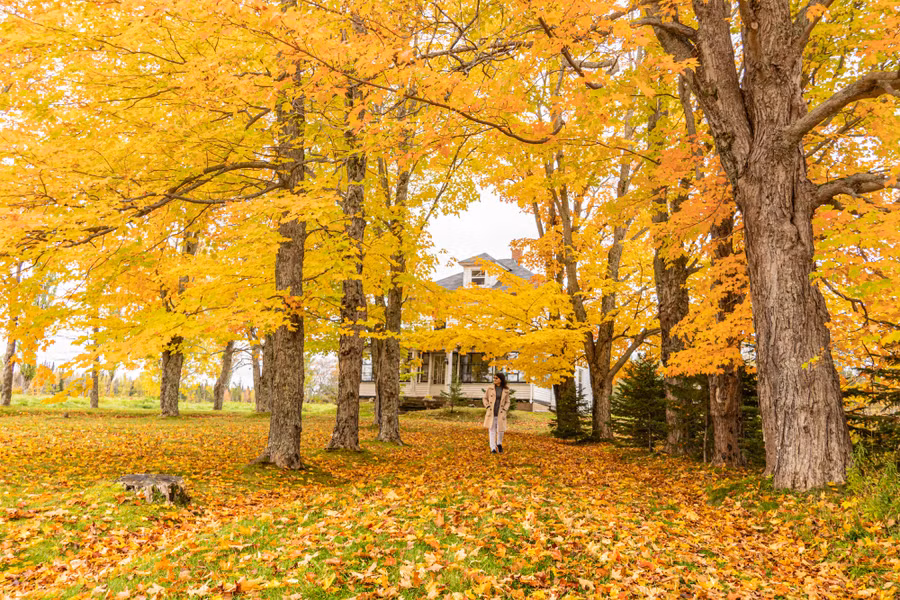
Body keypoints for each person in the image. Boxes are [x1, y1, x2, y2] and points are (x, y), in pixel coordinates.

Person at [483, 373, 510, 453]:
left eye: (496, 378)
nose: (494, 379)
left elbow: (508, 402)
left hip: (500, 413)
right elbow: (484, 398)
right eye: (494, 378)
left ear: (501, 379)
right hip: (491, 413)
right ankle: (493, 448)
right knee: (492, 430)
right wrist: (487, 406)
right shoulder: (490, 388)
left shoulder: (505, 390)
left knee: (501, 430)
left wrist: (505, 409)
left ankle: (499, 444)